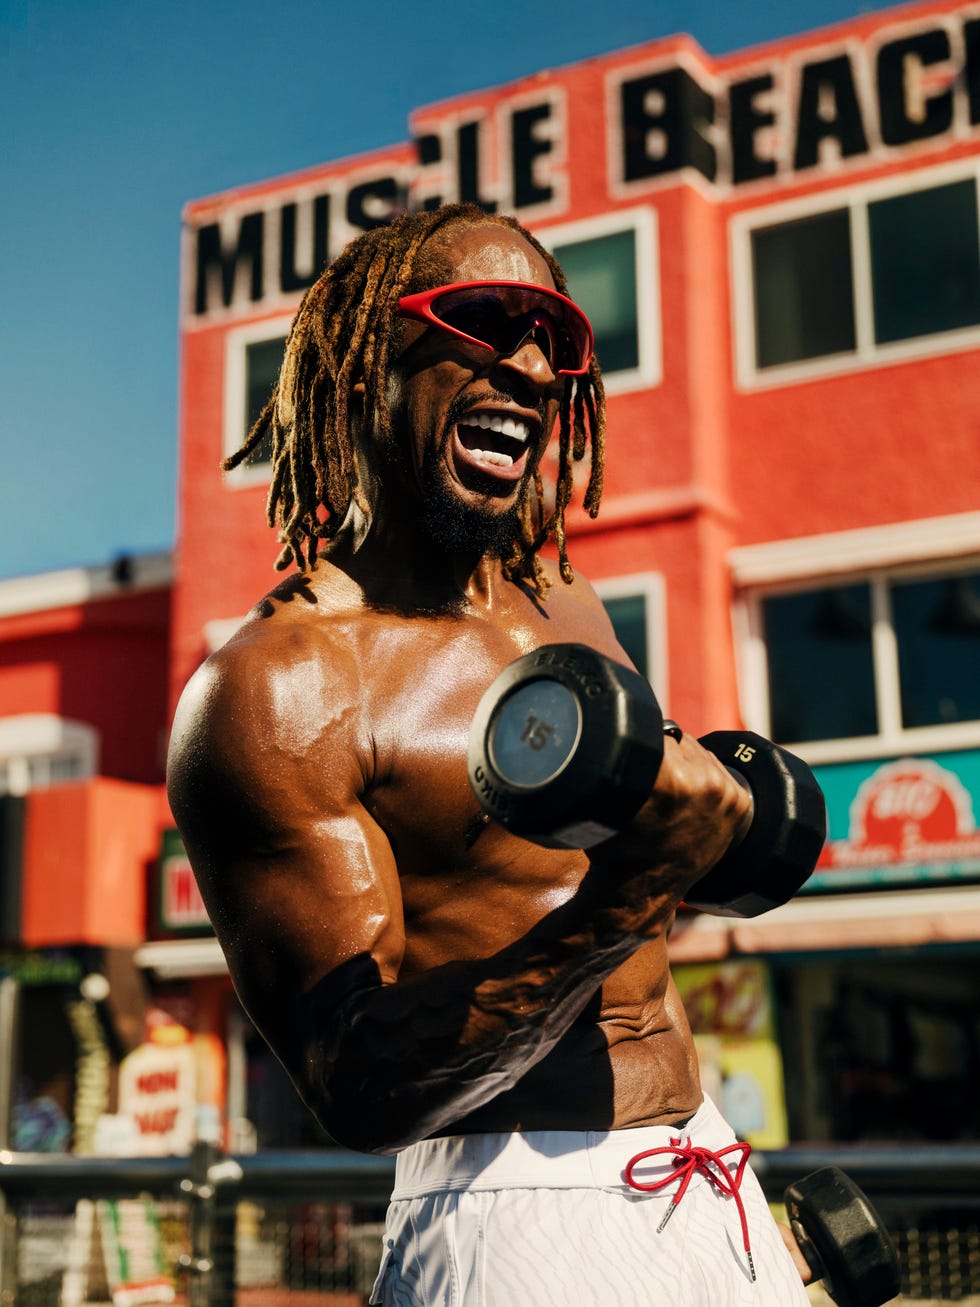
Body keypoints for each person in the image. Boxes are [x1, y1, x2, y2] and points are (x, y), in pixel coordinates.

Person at [167, 203, 812, 1305]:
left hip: (698, 1171)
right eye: (481, 318)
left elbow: (621, 874)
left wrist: (709, 845)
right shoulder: (281, 687)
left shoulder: (565, 602)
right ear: (367, 359)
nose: (526, 361)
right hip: (509, 1217)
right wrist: (631, 892)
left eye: (552, 337)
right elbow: (359, 1084)